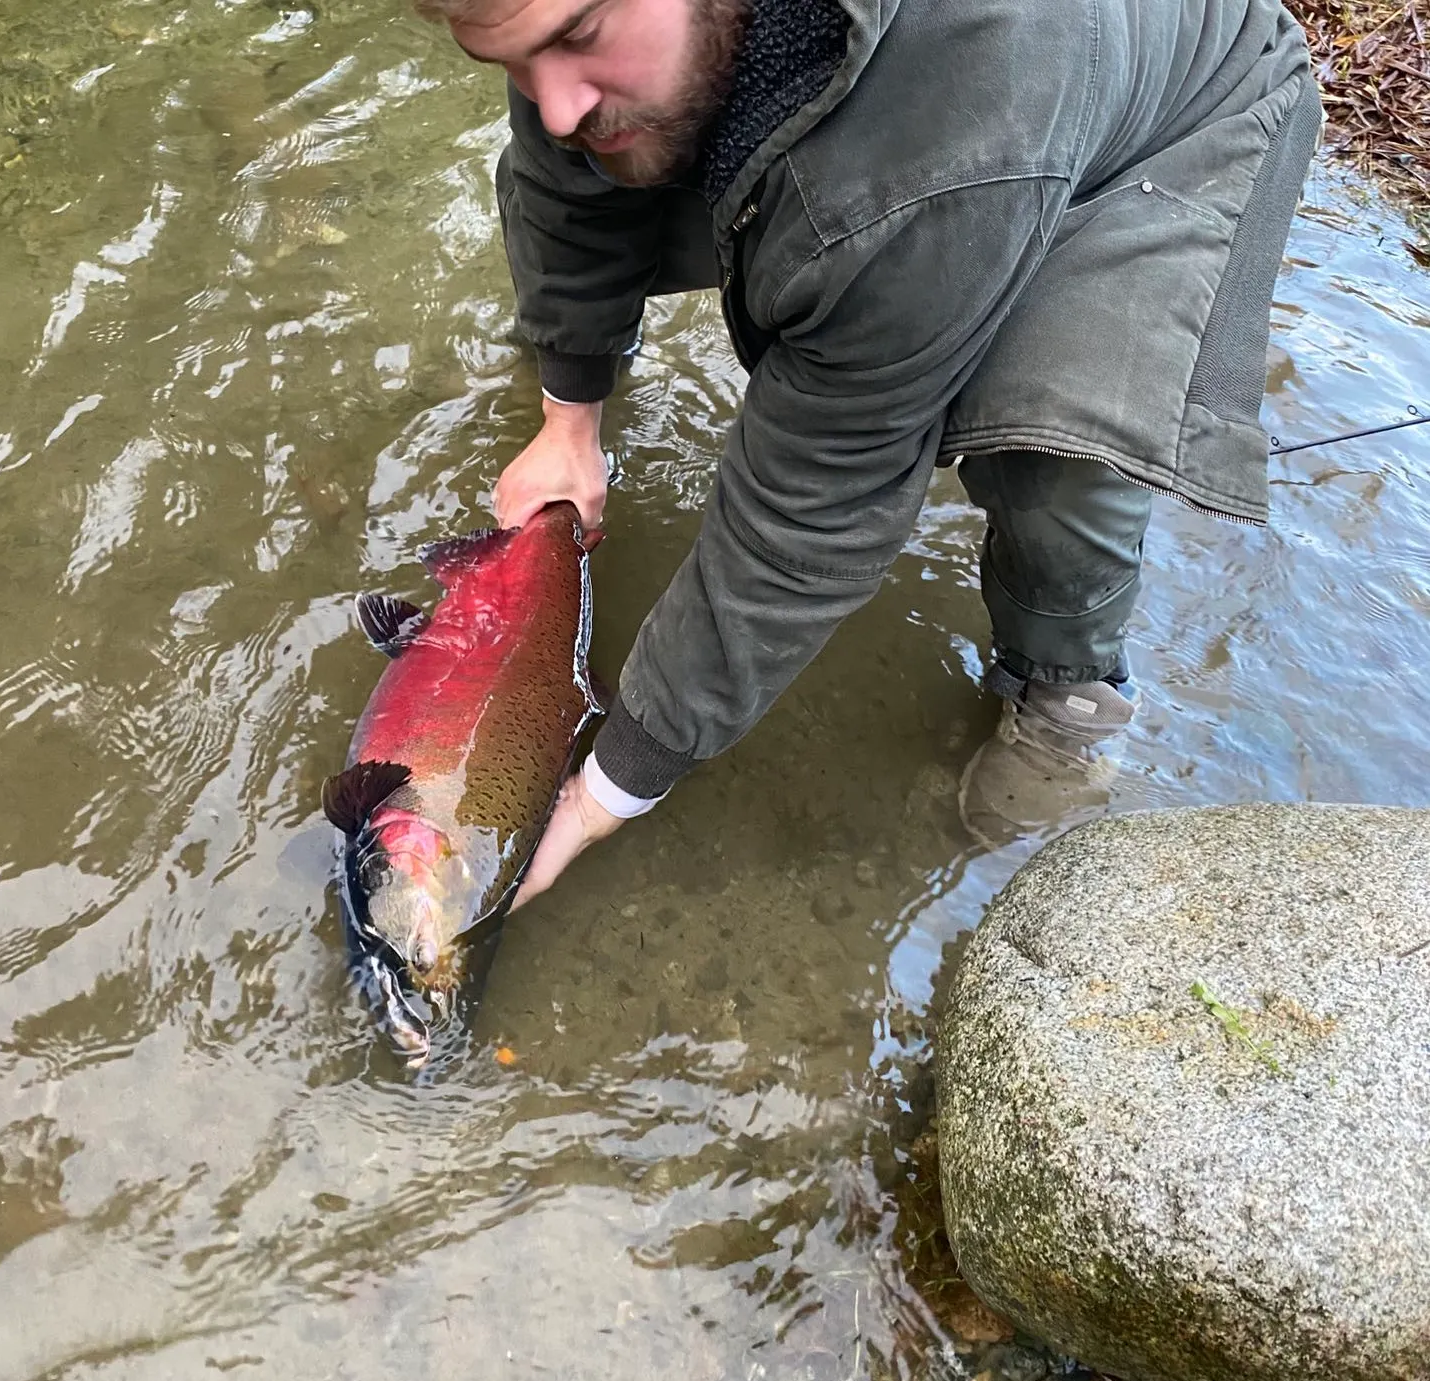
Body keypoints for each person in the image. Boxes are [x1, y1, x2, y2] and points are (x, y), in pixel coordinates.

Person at [418, 0, 1322, 905]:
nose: (555, 103)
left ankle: (1072, 683)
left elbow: (812, 510)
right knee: (614, 150)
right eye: (516, 63)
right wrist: (568, 418)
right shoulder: (580, 48)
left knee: (1042, 445)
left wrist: (612, 785)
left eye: (577, 37)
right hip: (929, 143)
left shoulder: (937, 144)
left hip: (1171, 119)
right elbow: (566, 188)